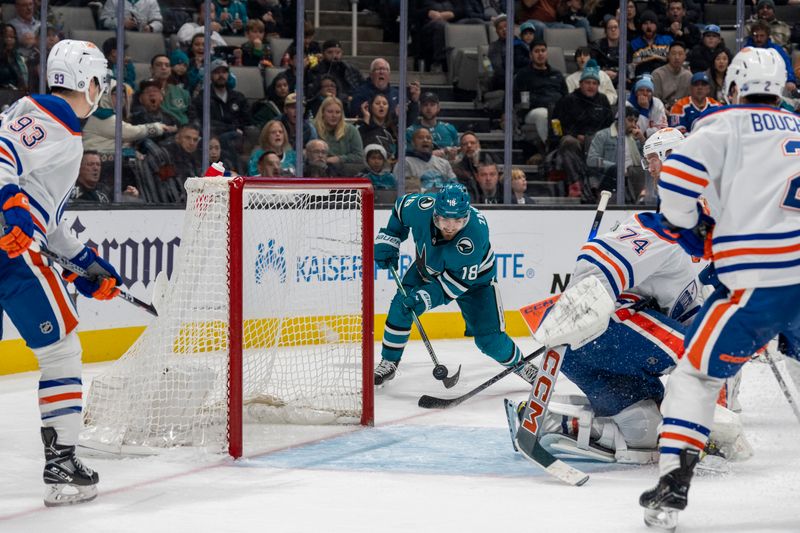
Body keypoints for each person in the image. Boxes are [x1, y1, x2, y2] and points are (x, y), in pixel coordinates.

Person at [640, 47, 800, 527]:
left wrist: (688, 224)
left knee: (694, 376)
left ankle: (673, 483)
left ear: (733, 86)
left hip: (756, 283)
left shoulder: (722, 125)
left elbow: (677, 183)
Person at [0, 39, 122, 507]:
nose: (102, 91)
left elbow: (44, 217)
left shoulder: (53, 124)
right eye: (100, 83)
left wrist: (86, 266)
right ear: (89, 82)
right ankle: (62, 463)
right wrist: (10, 212)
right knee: (61, 349)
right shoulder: (53, 115)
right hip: (11, 251)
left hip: (16, 244)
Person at [372, 183, 534, 385]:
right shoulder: (421, 207)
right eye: (444, 219)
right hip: (429, 265)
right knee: (402, 305)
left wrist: (424, 298)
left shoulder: (475, 235)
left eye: (458, 220)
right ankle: (389, 363)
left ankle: (524, 366)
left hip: (476, 282)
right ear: (435, 213)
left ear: (466, 216)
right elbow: (400, 208)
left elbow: (457, 283)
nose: (450, 227)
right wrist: (390, 237)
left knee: (490, 341)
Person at [513, 40, 567, 147]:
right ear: (531, 55)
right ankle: (551, 147)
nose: (540, 54)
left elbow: (565, 96)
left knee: (560, 117)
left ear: (547, 53)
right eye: (536, 51)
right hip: (533, 111)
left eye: (543, 51)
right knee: (543, 114)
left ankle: (561, 145)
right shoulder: (523, 74)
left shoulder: (556, 74)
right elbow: (521, 100)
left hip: (555, 111)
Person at [586, 105, 645, 203]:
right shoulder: (603, 135)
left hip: (633, 178)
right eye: (630, 120)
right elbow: (591, 160)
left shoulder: (636, 139)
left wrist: (642, 140)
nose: (634, 125)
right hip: (611, 178)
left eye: (635, 121)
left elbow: (649, 159)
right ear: (620, 120)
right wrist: (616, 168)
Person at [348, 58, 421, 120]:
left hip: (393, 134)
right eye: (378, 69)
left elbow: (409, 121)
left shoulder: (398, 94)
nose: (381, 72)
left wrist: (414, 101)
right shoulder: (360, 93)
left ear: (389, 74)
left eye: (384, 69)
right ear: (371, 74)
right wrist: (393, 115)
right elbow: (356, 114)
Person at [395, 127, 456, 193]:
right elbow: (407, 190)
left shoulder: (444, 163)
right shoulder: (404, 163)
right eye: (420, 138)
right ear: (413, 143)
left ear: (432, 143)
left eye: (428, 138)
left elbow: (454, 185)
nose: (425, 140)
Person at [406, 92, 460, 159]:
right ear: (420, 108)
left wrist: (454, 153)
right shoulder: (410, 131)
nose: (429, 108)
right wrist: (431, 154)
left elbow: (459, 151)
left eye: (432, 105)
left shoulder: (449, 128)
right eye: (425, 105)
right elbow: (407, 154)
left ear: (438, 108)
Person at [313, 96, 363, 168]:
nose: (334, 116)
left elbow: (359, 156)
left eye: (338, 112)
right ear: (322, 112)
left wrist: (339, 159)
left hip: (343, 170)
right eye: (330, 112)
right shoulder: (313, 128)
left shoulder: (351, 130)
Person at [487, 14, 530, 92]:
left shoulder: (522, 43)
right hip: (506, 79)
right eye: (500, 28)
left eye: (506, 26)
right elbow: (498, 70)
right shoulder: (494, 47)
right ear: (497, 32)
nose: (504, 29)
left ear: (513, 28)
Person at [355, 92, 398, 159]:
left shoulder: (392, 127)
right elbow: (358, 143)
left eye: (385, 104)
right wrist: (366, 118)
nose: (381, 106)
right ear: (371, 107)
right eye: (377, 103)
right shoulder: (362, 125)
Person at [630, 10, 673, 78]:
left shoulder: (667, 40)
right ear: (641, 26)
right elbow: (631, 65)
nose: (649, 26)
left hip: (665, 77)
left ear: (656, 25)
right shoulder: (634, 43)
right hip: (642, 78)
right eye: (645, 23)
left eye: (652, 23)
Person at [651, 41, 692, 109]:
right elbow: (655, 101)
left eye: (680, 54)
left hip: (683, 112)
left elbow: (691, 100)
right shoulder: (657, 74)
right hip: (661, 111)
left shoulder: (688, 76)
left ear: (685, 56)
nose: (677, 57)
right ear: (668, 55)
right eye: (673, 54)